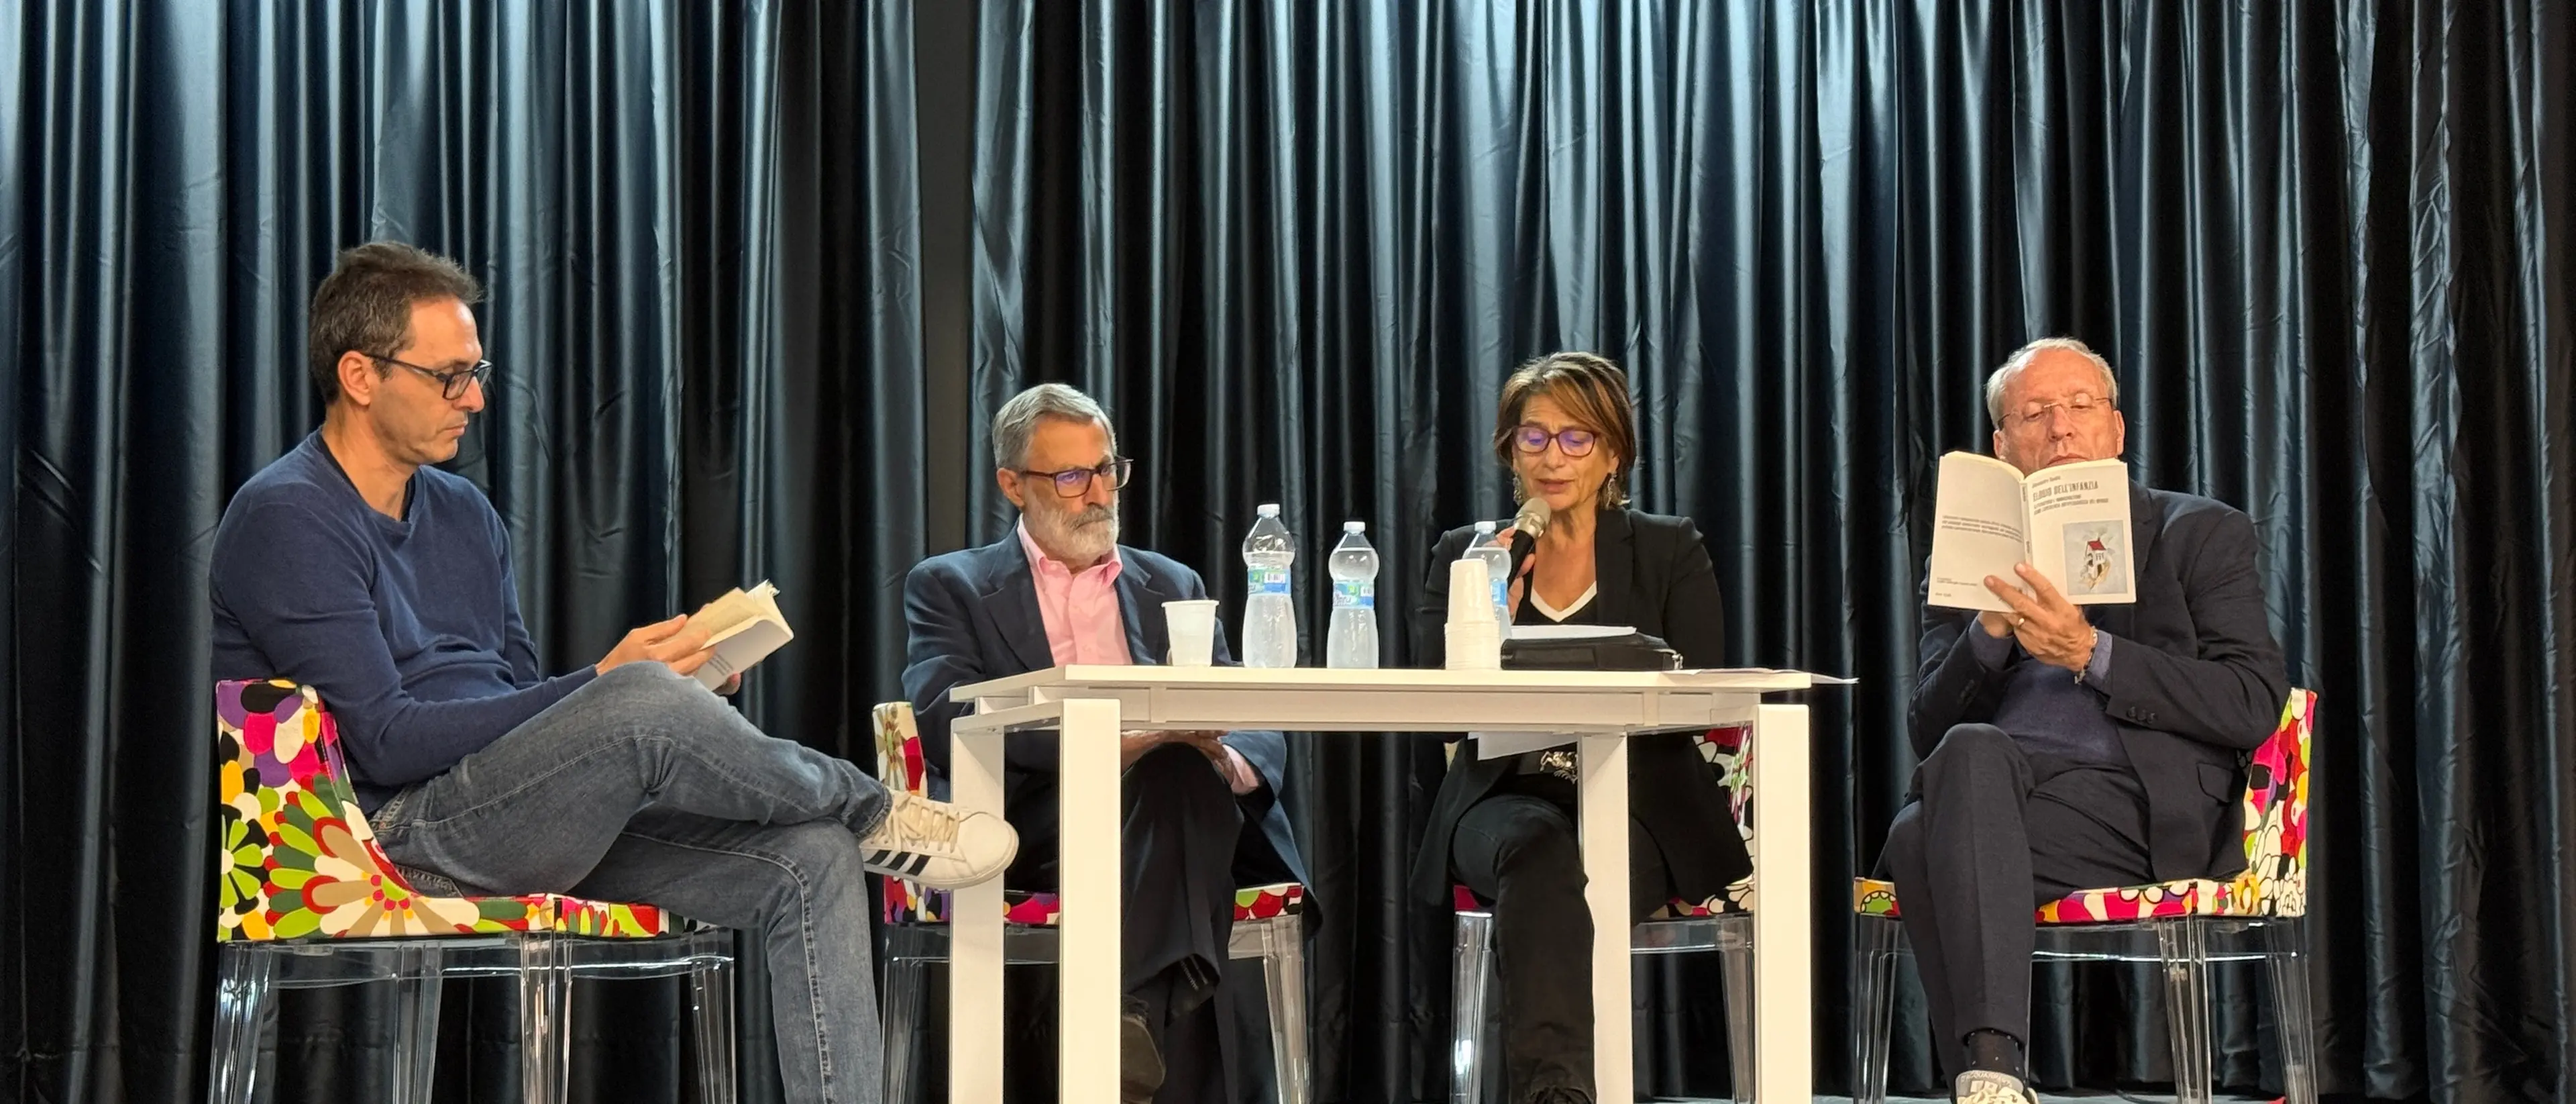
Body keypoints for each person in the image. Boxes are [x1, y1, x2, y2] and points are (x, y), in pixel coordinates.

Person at [209, 241, 1017, 1104]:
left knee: (810, 857)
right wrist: (611, 688)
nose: (476, 399)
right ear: (361, 375)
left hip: (510, 810)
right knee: (635, 697)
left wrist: (673, 697)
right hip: (396, 832)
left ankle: (843, 855)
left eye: (476, 372)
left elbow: (512, 695)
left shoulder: (463, 512)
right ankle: (874, 809)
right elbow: (388, 738)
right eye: (450, 377)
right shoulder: (287, 515)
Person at [1883, 338, 2289, 1104]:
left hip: (2134, 803)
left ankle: (1986, 1073)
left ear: (2118, 430)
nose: (2061, 430)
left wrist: (2090, 650)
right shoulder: (1970, 560)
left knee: (1915, 836)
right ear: (2003, 447)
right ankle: (1994, 1074)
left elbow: (2248, 699)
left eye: (2079, 408)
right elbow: (1926, 730)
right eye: (2035, 414)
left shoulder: (2197, 532)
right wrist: (1988, 634)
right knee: (1964, 755)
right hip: (1999, 795)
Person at [901, 383, 1309, 1104]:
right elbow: (944, 713)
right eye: (1070, 476)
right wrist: (1119, 744)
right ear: (1011, 484)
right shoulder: (952, 586)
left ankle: (1128, 1025)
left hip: (1169, 809)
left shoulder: (1169, 582)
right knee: (1172, 781)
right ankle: (1132, 1032)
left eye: (1106, 469)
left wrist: (1224, 752)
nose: (1097, 493)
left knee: (1181, 773)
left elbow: (1246, 700)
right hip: (1037, 820)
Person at [1409, 352, 1748, 1104]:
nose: (1552, 458)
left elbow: (1701, 693)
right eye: (1533, 438)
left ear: (1612, 452)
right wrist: (1487, 609)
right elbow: (1434, 699)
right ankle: (1558, 1093)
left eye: (1575, 438)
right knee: (1538, 852)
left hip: (1640, 802)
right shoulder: (1467, 556)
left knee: (1564, 876)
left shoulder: (1668, 548)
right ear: (1509, 450)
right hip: (1503, 797)